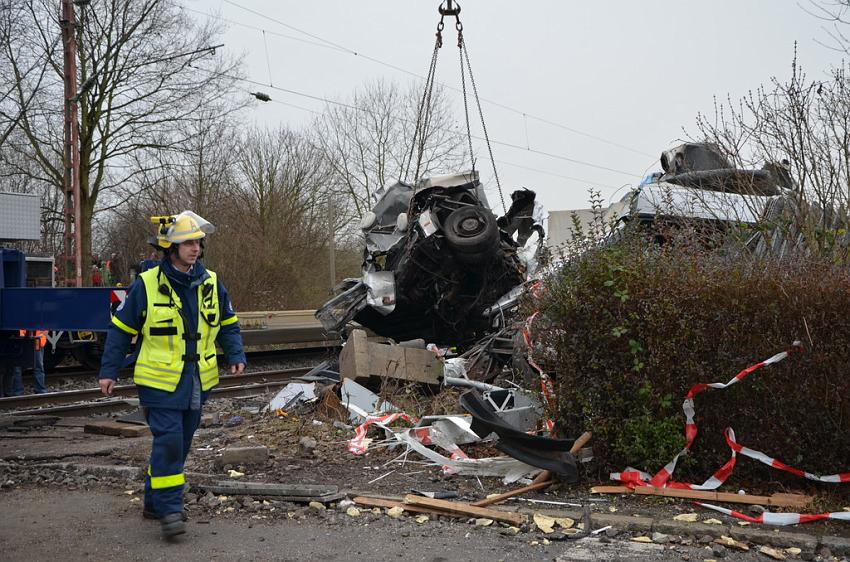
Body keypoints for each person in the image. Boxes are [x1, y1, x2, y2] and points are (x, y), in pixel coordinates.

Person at [98, 211, 246, 539]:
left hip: (197, 381)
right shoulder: (147, 285)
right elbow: (121, 331)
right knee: (169, 442)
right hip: (158, 382)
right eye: (187, 242)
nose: (195, 248)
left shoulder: (210, 282)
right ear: (171, 248)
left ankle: (153, 501)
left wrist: (235, 354)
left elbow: (227, 323)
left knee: (181, 443)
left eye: (197, 242)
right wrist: (108, 371)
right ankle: (170, 510)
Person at [13, 329, 48, 395]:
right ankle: (40, 390)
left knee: (17, 368)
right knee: (38, 367)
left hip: (33, 340)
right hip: (35, 340)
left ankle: (18, 392)